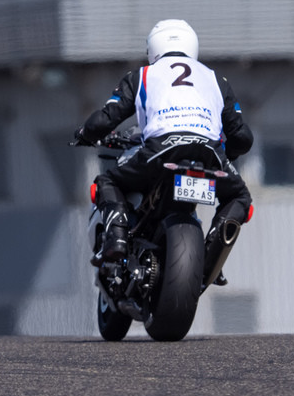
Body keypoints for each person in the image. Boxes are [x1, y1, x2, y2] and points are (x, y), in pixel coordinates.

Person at [72, 19, 254, 270]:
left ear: (153, 49)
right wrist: (228, 155)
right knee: (240, 196)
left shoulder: (142, 75)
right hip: (209, 152)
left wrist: (85, 134)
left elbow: (105, 119)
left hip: (161, 151)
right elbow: (243, 138)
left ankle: (117, 240)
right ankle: (212, 259)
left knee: (107, 182)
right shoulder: (215, 79)